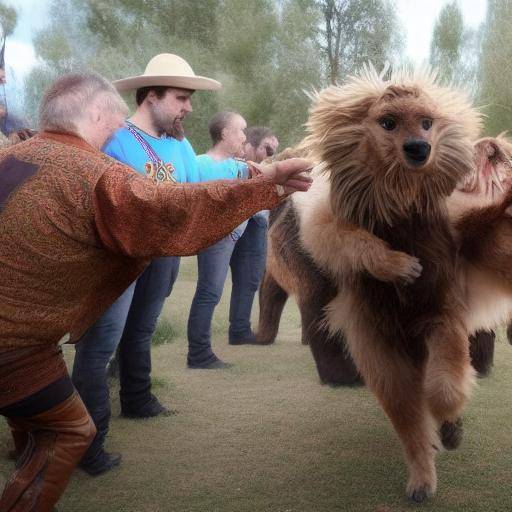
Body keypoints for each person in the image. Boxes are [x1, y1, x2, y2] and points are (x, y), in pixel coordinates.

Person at [0, 71, 312, 512]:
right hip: (15, 345)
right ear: (94, 113)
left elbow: (190, 182)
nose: (117, 127)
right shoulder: (92, 171)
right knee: (70, 430)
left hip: (20, 338)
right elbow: (165, 206)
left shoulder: (18, 154)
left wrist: (253, 175)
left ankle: (26, 444)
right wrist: (265, 187)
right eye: (113, 119)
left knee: (36, 414)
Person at [71, 53, 220, 476]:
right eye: (180, 98)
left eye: (189, 98)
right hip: (114, 259)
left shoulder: (181, 143)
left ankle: (137, 399)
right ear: (150, 96)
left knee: (141, 331)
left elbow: (197, 191)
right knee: (99, 346)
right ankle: (87, 443)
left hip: (163, 255)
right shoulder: (112, 138)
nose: (188, 107)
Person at [187, 111, 250, 368]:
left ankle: (199, 352)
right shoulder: (200, 164)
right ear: (224, 133)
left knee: (212, 292)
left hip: (232, 238)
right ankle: (199, 354)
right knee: (209, 293)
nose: (244, 137)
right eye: (240, 130)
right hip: (215, 239)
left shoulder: (240, 167)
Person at [227, 127, 279, 345]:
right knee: (211, 285)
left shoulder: (263, 169)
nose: (271, 154)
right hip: (230, 225)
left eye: (274, 150)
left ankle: (239, 329)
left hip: (255, 224)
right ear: (250, 145)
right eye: (267, 148)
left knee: (249, 278)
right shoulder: (229, 164)